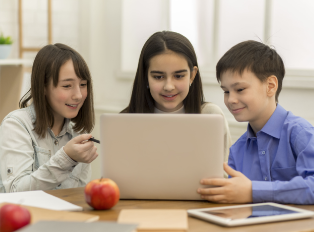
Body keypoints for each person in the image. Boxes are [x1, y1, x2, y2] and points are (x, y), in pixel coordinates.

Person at [197, 40, 314, 204]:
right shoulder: (237, 151)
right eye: (225, 91)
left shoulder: (301, 134)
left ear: (270, 86)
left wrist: (253, 191)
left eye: (240, 90)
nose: (230, 99)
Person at [121, 31, 232, 163]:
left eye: (178, 76)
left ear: (192, 75)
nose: (169, 86)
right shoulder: (125, 121)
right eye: (158, 77)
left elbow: (225, 175)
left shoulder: (210, 115)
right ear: (145, 77)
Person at [0, 43, 98, 193]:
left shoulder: (79, 133)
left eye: (83, 84)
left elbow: (78, 196)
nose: (78, 95)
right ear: (43, 87)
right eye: (67, 86)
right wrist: (67, 158)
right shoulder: (16, 125)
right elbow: (15, 191)